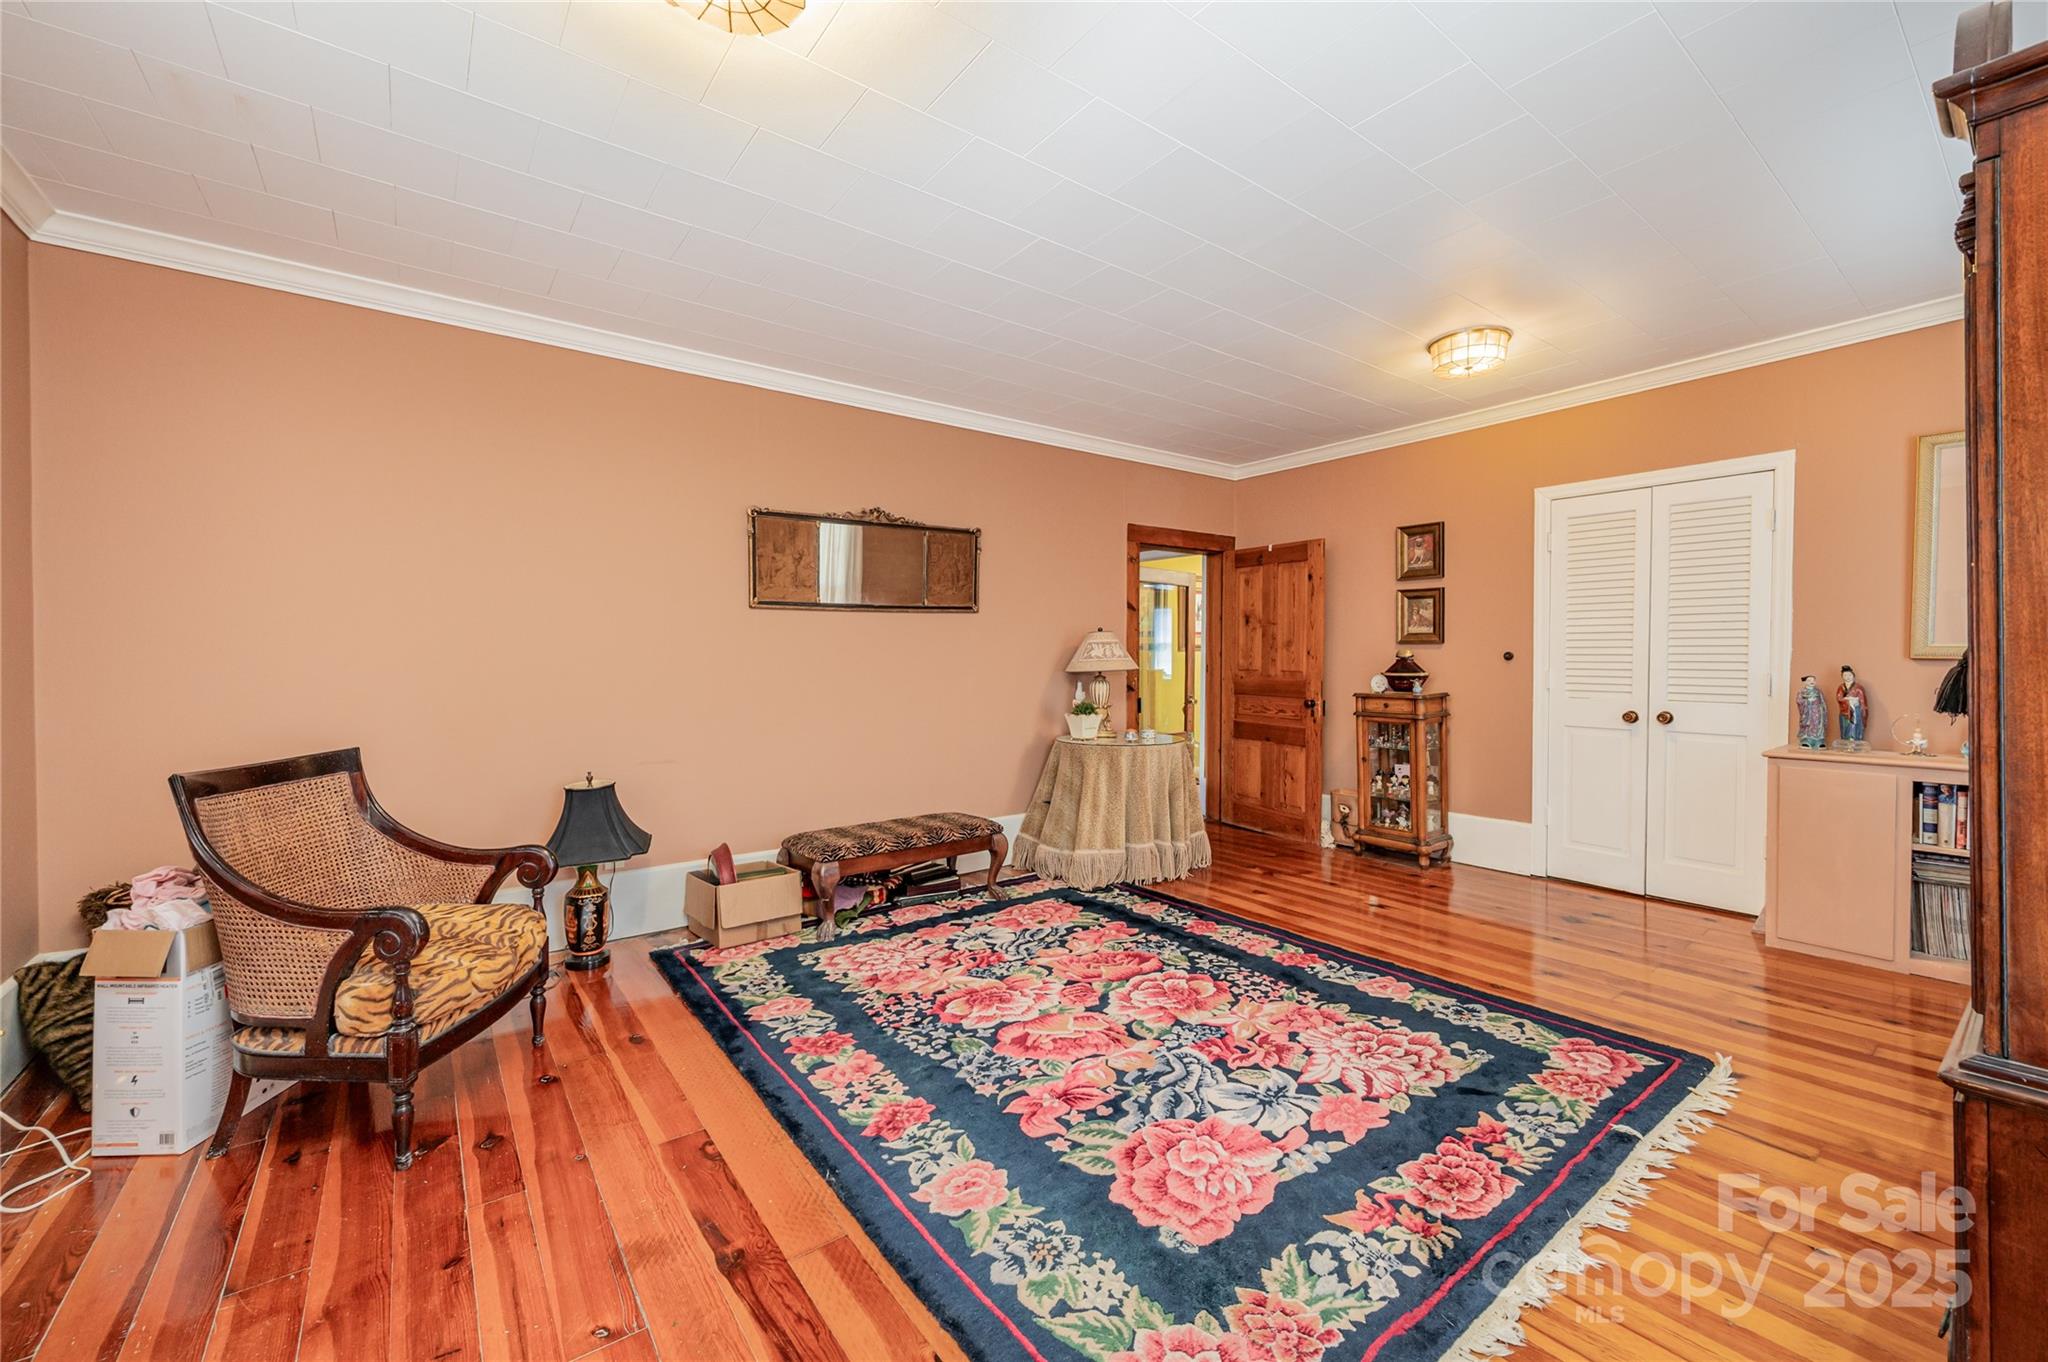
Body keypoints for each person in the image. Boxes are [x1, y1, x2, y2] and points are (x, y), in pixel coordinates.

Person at [1836, 666, 1869, 749]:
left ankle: (1854, 741)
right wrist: (1847, 700)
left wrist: (1854, 701)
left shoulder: (1858, 688)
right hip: (1845, 711)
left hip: (1855, 711)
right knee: (1845, 726)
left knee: (1854, 726)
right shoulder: (1841, 687)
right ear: (1842, 677)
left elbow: (1862, 700)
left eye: (1849, 675)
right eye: (1845, 676)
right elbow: (1839, 698)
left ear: (1853, 676)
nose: (1847, 677)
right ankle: (1846, 741)